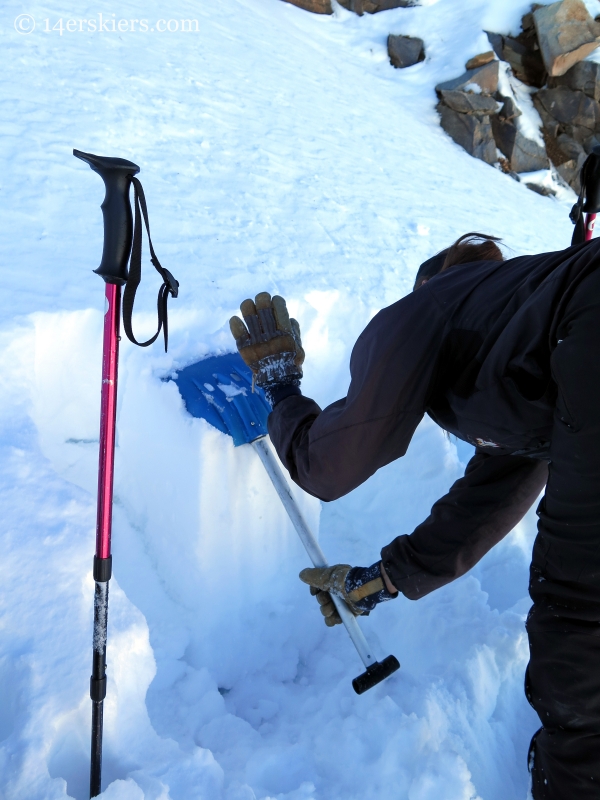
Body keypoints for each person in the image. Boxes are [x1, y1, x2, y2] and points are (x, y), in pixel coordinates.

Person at [228, 232, 600, 800]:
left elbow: (335, 461)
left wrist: (282, 392)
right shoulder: (518, 330)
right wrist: (381, 580)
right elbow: (490, 497)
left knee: (577, 609)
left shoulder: (424, 306)